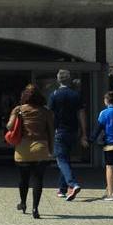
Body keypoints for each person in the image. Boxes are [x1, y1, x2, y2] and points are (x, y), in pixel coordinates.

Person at [7, 84, 55, 219]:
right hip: (41, 148)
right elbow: (51, 131)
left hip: (23, 149)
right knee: (38, 179)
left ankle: (23, 203)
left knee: (23, 179)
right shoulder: (46, 111)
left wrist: (15, 117)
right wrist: (51, 149)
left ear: (24, 96)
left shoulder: (18, 110)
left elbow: (9, 127)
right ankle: (35, 208)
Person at [47, 69, 87, 201]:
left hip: (60, 131)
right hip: (73, 131)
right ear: (69, 80)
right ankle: (62, 189)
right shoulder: (76, 95)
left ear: (58, 80)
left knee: (61, 159)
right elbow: (81, 114)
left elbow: (51, 115)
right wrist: (83, 132)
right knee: (65, 159)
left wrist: (49, 131)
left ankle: (72, 184)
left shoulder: (54, 95)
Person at [89, 91, 113, 201]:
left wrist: (91, 140)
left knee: (109, 167)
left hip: (110, 143)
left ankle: (110, 194)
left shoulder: (104, 113)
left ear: (106, 100)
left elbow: (98, 128)